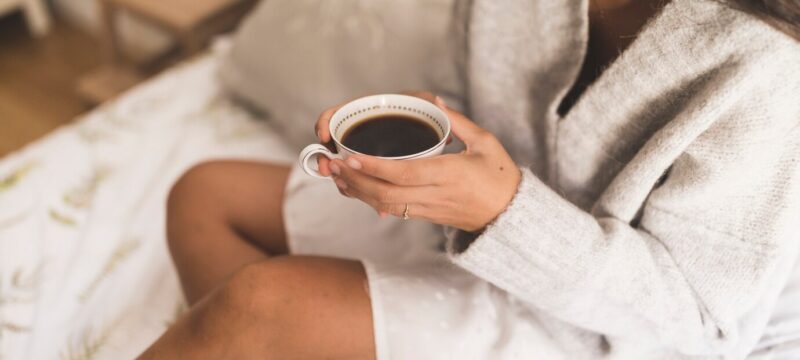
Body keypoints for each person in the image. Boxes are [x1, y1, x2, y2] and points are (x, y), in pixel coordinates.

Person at [140, 0, 800, 358]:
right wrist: (436, 133)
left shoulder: (767, 71)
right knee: (202, 195)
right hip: (475, 232)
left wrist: (504, 212)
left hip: (605, 325)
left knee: (261, 304)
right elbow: (475, 96)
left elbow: (700, 324)